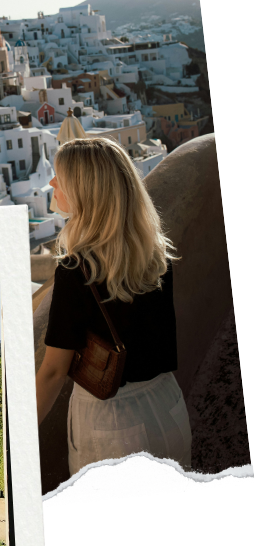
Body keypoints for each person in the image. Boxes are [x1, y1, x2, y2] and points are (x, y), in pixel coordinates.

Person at [35, 136, 191, 474]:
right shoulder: (155, 253)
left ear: (83, 190)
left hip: (112, 423)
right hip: (168, 404)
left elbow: (52, 372)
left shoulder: (76, 271)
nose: (51, 183)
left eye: (60, 176)